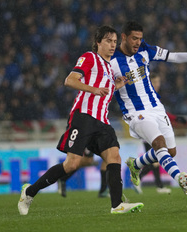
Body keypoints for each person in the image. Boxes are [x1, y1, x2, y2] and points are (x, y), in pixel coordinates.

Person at [18, 25, 144, 215]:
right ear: (98, 42)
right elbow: (70, 80)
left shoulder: (109, 68)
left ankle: (117, 204)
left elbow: (104, 90)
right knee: (72, 164)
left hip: (102, 121)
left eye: (115, 42)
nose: (112, 45)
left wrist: (117, 85)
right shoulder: (90, 57)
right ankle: (29, 191)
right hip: (83, 117)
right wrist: (93, 89)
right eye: (108, 41)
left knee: (114, 156)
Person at [110, 21, 187, 195]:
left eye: (140, 38)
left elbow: (174, 57)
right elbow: (101, 87)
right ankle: (180, 178)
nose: (137, 42)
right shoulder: (111, 61)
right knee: (158, 144)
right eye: (134, 38)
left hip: (156, 108)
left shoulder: (145, 50)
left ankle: (136, 164)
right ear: (123, 37)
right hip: (135, 113)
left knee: (171, 151)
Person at [134, 74, 187, 194]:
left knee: (156, 161)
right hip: (148, 131)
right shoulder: (146, 93)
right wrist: (175, 118)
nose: (157, 84)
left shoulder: (153, 95)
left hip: (155, 131)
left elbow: (160, 113)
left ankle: (157, 185)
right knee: (156, 160)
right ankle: (139, 178)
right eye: (155, 82)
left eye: (158, 82)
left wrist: (175, 118)